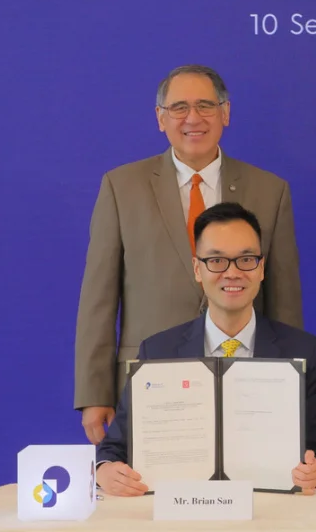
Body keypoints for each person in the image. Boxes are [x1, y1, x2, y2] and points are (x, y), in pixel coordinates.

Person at [75, 65, 303, 444]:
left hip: (248, 380)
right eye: (179, 107)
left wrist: (292, 382)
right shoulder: (121, 187)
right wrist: (94, 392)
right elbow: (98, 299)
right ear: (160, 119)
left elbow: (285, 302)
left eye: (205, 106)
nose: (192, 118)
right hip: (152, 380)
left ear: (225, 113)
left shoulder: (270, 190)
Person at [97, 202, 316, 495]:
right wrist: (105, 471)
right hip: (183, 514)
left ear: (261, 268)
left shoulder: (304, 351)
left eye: (246, 259)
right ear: (197, 268)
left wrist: (315, 473)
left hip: (274, 517)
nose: (232, 273)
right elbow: (113, 448)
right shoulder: (157, 351)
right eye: (217, 261)